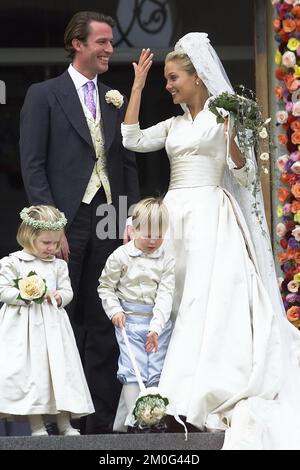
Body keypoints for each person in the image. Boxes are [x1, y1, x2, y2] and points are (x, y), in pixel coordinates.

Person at [121, 32, 300, 449]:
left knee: (205, 298)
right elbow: (132, 139)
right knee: (171, 295)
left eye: (172, 77)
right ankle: (157, 392)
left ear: (197, 77)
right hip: (174, 214)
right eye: (164, 79)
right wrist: (137, 86)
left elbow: (244, 175)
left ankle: (195, 388)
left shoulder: (221, 117)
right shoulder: (174, 124)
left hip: (210, 213)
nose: (168, 86)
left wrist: (233, 138)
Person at [19, 11, 140, 434]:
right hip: (63, 222)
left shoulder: (114, 97)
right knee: (59, 323)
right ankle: (56, 422)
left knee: (105, 318)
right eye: (103, 42)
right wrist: (51, 227)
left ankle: (101, 425)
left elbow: (126, 161)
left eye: (110, 43)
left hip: (109, 216)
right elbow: (33, 165)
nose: (110, 50)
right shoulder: (43, 93)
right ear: (78, 43)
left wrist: (130, 218)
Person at [0, 205, 94, 436]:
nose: (52, 248)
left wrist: (60, 296)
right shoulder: (13, 262)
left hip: (53, 327)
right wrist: (28, 294)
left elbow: (67, 290)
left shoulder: (59, 265)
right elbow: (3, 290)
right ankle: (37, 425)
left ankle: (64, 423)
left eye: (55, 243)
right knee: (33, 373)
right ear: (29, 237)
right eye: (46, 243)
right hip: (25, 328)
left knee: (58, 371)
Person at [98, 197, 175, 431]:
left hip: (155, 322)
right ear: (133, 230)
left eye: (159, 235)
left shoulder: (167, 260)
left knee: (156, 369)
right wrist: (115, 311)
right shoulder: (120, 256)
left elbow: (165, 294)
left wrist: (156, 327)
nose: (153, 241)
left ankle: (154, 415)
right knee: (133, 368)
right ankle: (137, 419)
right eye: (147, 234)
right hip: (128, 321)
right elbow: (106, 287)